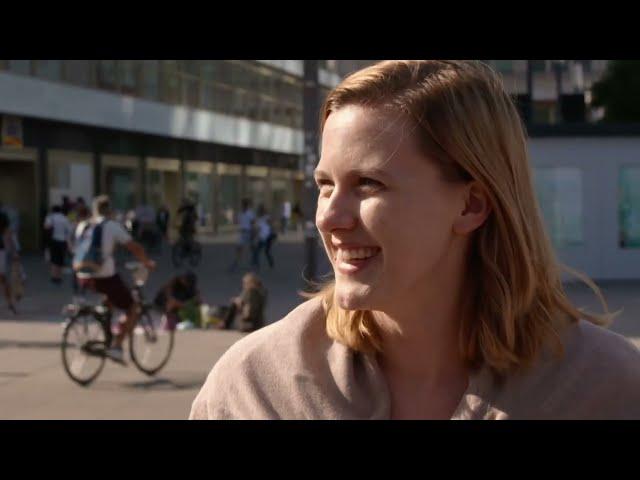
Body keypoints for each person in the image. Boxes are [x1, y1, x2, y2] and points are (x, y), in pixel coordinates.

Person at [190, 60, 640, 420]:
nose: (329, 217)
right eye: (325, 185)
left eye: (368, 183)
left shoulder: (605, 388)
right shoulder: (256, 388)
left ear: (471, 205)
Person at [75, 195, 156, 363]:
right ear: (110, 210)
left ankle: (107, 332)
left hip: (82, 276)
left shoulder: (83, 225)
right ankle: (117, 346)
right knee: (132, 307)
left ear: (94, 210)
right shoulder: (111, 226)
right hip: (104, 276)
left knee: (110, 299)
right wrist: (147, 262)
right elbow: (133, 246)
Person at [44, 205, 72, 284]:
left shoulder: (50, 217)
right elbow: (69, 230)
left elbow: (46, 227)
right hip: (63, 241)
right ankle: (59, 276)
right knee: (60, 259)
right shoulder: (64, 218)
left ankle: (54, 276)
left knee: (54, 259)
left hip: (53, 240)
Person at [228, 198, 255, 273]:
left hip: (248, 232)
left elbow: (252, 223)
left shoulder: (250, 213)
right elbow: (238, 221)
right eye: (242, 205)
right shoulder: (240, 213)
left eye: (244, 204)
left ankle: (254, 261)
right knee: (239, 248)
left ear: (246, 205)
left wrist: (253, 233)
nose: (243, 206)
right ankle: (236, 263)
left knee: (251, 248)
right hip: (242, 233)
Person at [0, 210, 17, 314]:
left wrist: (13, 250)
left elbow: (7, 233)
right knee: (2, 278)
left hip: (0, 249)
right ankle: (10, 303)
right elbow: (8, 233)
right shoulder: (3, 215)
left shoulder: (2, 216)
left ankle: (10, 303)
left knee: (2, 277)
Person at [251, 204, 277, 270]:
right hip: (262, 237)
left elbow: (272, 226)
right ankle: (257, 264)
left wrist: (274, 235)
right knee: (258, 251)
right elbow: (257, 228)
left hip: (267, 237)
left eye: (261, 210)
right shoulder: (259, 219)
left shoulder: (266, 217)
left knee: (265, 251)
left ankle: (269, 262)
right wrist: (254, 236)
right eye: (260, 211)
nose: (260, 212)